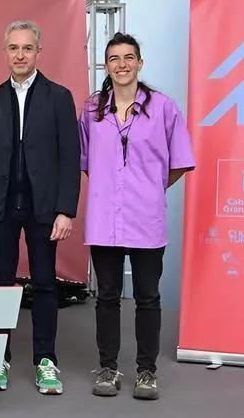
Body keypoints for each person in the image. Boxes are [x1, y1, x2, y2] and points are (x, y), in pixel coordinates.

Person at [80, 32, 194, 401]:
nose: (122, 64)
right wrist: (111, 189)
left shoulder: (163, 108)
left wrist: (149, 187)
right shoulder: (91, 110)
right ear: (106, 66)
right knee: (107, 296)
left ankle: (147, 371)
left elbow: (179, 161)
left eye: (129, 57)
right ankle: (108, 367)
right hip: (104, 219)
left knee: (147, 296)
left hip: (146, 218)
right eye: (114, 58)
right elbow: (86, 161)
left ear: (140, 63)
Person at [0, 20, 80, 396]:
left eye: (27, 48)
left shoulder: (59, 97)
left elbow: (69, 157)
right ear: (5, 52)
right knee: (0, 283)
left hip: (43, 207)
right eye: (13, 48)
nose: (20, 55)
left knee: (45, 283)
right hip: (0, 207)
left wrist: (66, 210)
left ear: (38, 52)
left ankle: (45, 360)